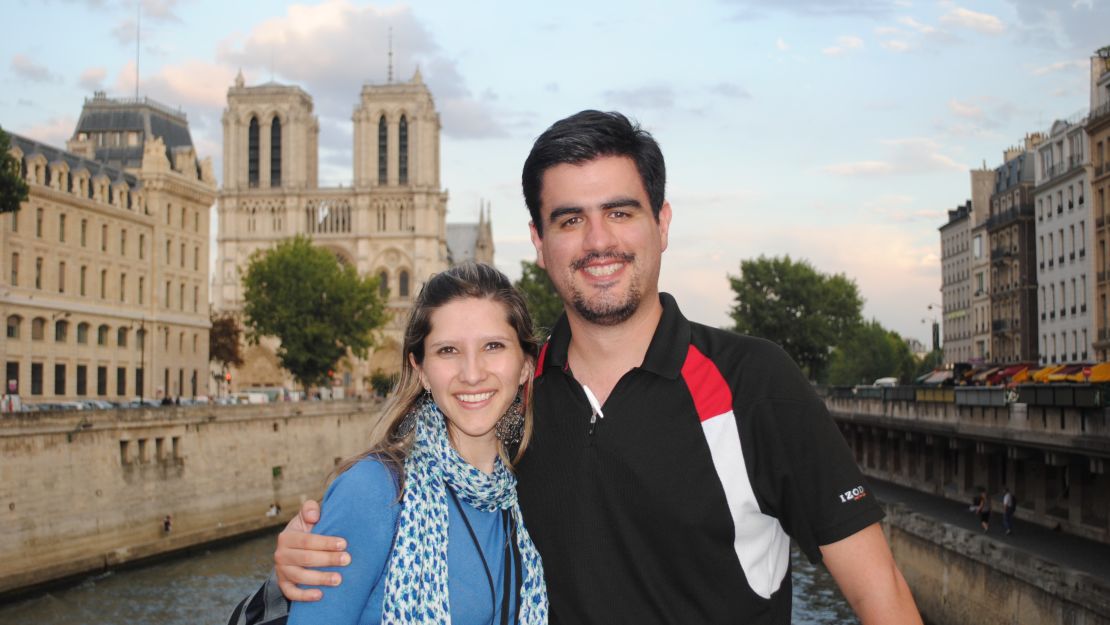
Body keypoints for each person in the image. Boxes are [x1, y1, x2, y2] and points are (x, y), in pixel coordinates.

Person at [243, 111, 921, 624]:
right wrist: (304, 556)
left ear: (662, 221)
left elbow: (881, 594)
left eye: (620, 212)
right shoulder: (510, 400)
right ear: (539, 243)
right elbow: (400, 493)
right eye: (570, 220)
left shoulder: (753, 382)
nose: (598, 241)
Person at [233, 263, 548, 625]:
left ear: (525, 365)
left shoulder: (516, 497)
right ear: (422, 371)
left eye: (493, 346)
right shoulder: (374, 490)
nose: (472, 373)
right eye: (448, 351)